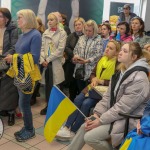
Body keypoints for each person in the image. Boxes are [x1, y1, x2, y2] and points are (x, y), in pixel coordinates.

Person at [67, 42, 150, 150]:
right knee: (84, 127)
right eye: (121, 50)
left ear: (134, 57)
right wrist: (96, 114)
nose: (120, 53)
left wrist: (100, 121)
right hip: (115, 116)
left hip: (126, 121)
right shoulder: (121, 72)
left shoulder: (139, 78)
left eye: (125, 51)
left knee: (90, 137)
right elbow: (107, 97)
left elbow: (123, 107)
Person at [56, 40, 121, 141]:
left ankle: (74, 130)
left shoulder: (118, 64)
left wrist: (102, 81)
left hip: (103, 93)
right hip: (92, 87)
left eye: (110, 48)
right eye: (107, 47)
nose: (107, 49)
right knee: (77, 100)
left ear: (116, 52)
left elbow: (116, 82)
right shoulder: (101, 58)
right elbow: (93, 73)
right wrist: (93, 78)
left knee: (86, 104)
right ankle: (67, 126)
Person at [5, 9, 42, 142]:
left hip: (29, 75)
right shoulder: (22, 35)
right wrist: (11, 56)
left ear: (29, 19)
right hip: (21, 74)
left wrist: (14, 58)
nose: (18, 20)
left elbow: (35, 57)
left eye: (21, 17)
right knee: (22, 103)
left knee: (24, 104)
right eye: (18, 17)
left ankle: (30, 130)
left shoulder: (35, 35)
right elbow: (17, 51)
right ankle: (27, 127)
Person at [40, 12, 67, 115]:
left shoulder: (62, 33)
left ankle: (56, 107)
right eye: (48, 20)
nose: (49, 22)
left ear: (57, 21)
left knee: (55, 86)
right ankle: (48, 106)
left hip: (55, 63)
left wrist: (48, 59)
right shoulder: (45, 32)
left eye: (51, 20)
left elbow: (60, 50)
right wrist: (43, 60)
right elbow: (42, 48)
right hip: (46, 64)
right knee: (47, 86)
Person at [72, 19, 103, 92]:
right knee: (81, 91)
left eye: (90, 31)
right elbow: (75, 50)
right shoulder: (81, 38)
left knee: (88, 93)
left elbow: (98, 54)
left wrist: (87, 61)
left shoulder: (98, 39)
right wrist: (75, 57)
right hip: (79, 69)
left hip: (90, 71)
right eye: (86, 30)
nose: (87, 32)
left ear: (94, 30)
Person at [0, 8, 19, 126]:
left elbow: (14, 47)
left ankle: (11, 112)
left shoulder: (12, 29)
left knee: (9, 89)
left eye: (0, 16)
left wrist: (4, 58)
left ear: (6, 19)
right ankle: (2, 109)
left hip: (7, 61)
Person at [61, 17, 85, 101]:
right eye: (76, 25)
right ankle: (71, 100)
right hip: (71, 63)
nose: (77, 26)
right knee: (71, 85)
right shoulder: (71, 35)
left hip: (82, 65)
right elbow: (66, 47)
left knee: (80, 87)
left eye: (79, 24)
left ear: (83, 25)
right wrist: (73, 56)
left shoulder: (86, 36)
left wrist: (79, 58)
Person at [30, 16, 46, 106]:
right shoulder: (31, 33)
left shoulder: (41, 34)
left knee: (36, 79)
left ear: (39, 25)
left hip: (40, 60)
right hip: (32, 60)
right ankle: (32, 96)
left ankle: (33, 97)